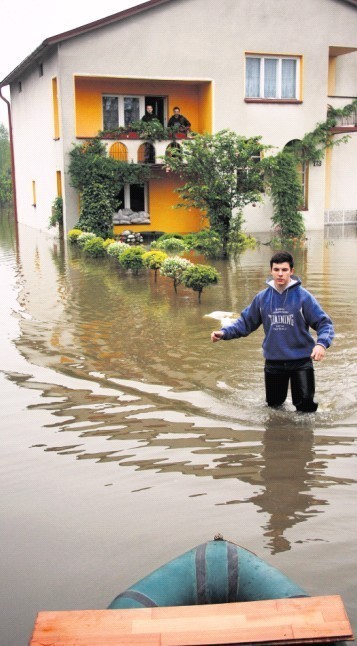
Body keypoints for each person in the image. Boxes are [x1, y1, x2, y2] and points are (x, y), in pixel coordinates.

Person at [211, 251, 334, 413]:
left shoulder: (304, 298)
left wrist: (321, 344)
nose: (280, 274)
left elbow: (325, 324)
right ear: (271, 271)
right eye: (276, 270)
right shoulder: (262, 298)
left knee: (306, 409)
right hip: (274, 361)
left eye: (284, 270)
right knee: (274, 407)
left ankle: (304, 437)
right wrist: (224, 333)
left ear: (292, 271)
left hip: (301, 361)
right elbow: (245, 323)